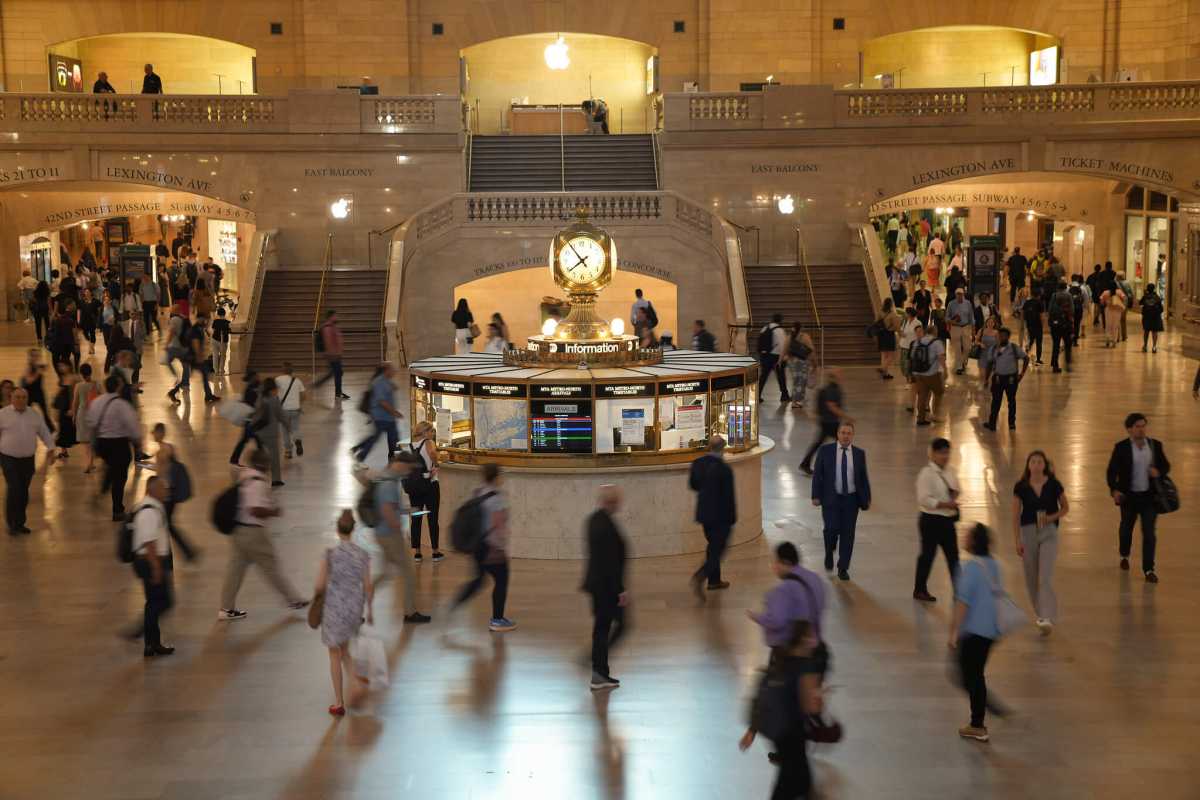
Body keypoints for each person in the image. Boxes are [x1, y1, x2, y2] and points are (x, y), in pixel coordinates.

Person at [218, 448, 310, 621]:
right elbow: (255, 509)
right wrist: (274, 511)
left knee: (235, 570)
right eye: (268, 462)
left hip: (238, 531)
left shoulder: (245, 475)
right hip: (253, 533)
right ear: (263, 463)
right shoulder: (258, 482)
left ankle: (226, 608)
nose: (270, 465)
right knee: (271, 566)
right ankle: (293, 600)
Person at [739, 619, 823, 799]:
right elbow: (811, 707)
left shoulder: (780, 660)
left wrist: (752, 731)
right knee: (790, 781)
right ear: (802, 639)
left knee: (799, 777)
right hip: (793, 732)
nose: (813, 639)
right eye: (810, 636)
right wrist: (820, 697)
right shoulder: (806, 666)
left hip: (778, 733)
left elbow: (763, 696)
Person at [354, 453, 432, 624]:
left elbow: (390, 506)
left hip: (383, 534)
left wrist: (407, 511)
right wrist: (397, 525)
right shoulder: (389, 483)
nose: (409, 472)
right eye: (409, 468)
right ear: (401, 464)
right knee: (409, 573)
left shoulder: (385, 476)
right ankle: (410, 613)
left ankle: (354, 604)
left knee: (386, 574)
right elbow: (387, 509)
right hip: (390, 536)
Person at [315, 510, 373, 716]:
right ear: (353, 529)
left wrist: (318, 595)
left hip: (334, 609)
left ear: (337, 530)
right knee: (345, 650)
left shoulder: (330, 554)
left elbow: (320, 585)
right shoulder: (363, 555)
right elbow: (368, 586)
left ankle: (339, 703)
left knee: (334, 653)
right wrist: (371, 610)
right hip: (353, 609)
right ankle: (356, 683)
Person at [949, 524, 1003, 743]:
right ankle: (982, 714)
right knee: (973, 674)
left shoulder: (970, 569)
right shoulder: (994, 565)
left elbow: (962, 604)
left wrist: (954, 633)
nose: (963, 537)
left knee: (968, 676)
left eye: (967, 535)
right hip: (991, 630)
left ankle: (978, 723)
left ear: (973, 542)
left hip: (973, 632)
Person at [448, 462, 516, 632]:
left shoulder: (478, 491)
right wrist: (500, 547)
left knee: (478, 580)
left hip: (477, 544)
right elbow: (497, 525)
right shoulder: (497, 498)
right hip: (491, 546)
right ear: (497, 477)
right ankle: (497, 620)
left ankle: (455, 603)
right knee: (502, 580)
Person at [1106, 413, 1170, 583]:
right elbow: (1111, 472)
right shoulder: (1121, 448)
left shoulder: (1155, 445)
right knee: (1126, 529)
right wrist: (1114, 490)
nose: (1141, 429)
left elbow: (1165, 465)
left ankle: (1149, 569)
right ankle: (1124, 554)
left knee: (1149, 534)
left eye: (1143, 426)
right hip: (1129, 497)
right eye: (1137, 426)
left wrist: (1159, 472)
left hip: (1149, 498)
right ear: (1129, 429)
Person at [1012, 451, 1067, 635]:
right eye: (1033, 462)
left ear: (1044, 465)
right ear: (1028, 465)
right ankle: (1040, 613)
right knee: (1031, 577)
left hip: (1049, 532)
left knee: (1045, 576)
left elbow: (1066, 507)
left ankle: (1046, 616)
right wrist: (1017, 540)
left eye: (1039, 462)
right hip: (1028, 533)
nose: (1036, 465)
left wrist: (1051, 517)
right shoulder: (1021, 487)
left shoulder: (1054, 485)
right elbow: (1014, 515)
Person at [582, 484, 629, 690]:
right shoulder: (605, 526)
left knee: (602, 628)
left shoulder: (594, 519)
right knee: (615, 627)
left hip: (598, 585)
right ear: (611, 502)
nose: (619, 505)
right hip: (606, 588)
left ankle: (598, 668)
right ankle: (598, 669)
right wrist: (621, 591)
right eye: (617, 501)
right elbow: (610, 562)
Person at [810, 423, 871, 580]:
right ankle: (829, 551)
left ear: (852, 436)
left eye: (849, 433)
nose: (845, 436)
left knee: (848, 534)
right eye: (843, 432)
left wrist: (866, 498)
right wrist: (816, 495)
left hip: (851, 500)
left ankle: (843, 567)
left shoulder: (859, 454)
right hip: (831, 498)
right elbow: (817, 474)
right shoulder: (825, 451)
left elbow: (863, 478)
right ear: (837, 434)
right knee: (830, 529)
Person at [748, 542, 827, 662]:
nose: (773, 567)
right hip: (814, 647)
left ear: (785, 562)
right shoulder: (815, 579)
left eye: (775, 562)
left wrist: (756, 617)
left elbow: (776, 621)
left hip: (790, 652)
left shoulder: (784, 589)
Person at [87, 376, 143, 520]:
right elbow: (132, 425)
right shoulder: (122, 405)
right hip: (118, 444)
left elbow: (91, 423)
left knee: (112, 465)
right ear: (118, 387)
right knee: (120, 476)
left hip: (101, 443)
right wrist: (138, 441)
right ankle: (117, 510)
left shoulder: (97, 402)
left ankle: (104, 488)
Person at [131, 476, 176, 658]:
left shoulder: (153, 507)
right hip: (150, 562)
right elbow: (149, 542)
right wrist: (157, 567)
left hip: (153, 561)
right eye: (162, 488)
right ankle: (140, 631)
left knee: (154, 602)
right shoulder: (148, 511)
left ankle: (152, 644)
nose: (166, 491)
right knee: (163, 602)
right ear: (152, 490)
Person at [688, 435, 737, 599]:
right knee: (718, 550)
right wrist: (732, 518)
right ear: (722, 449)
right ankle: (701, 576)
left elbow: (693, 485)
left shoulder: (698, 464)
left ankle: (714, 581)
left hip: (704, 515)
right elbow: (729, 497)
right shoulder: (725, 470)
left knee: (713, 547)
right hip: (721, 517)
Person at [0, 388, 54, 535]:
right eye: (17, 397)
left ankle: (19, 523)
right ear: (11, 398)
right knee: (14, 488)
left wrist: (50, 448)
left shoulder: (33, 414)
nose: (21, 400)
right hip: (8, 458)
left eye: (24, 397)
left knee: (23, 491)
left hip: (28, 460)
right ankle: (11, 523)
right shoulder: (3, 414)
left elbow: (44, 431)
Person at [913, 438, 960, 602]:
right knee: (927, 555)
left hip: (947, 520)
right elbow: (923, 499)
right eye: (941, 452)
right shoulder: (926, 474)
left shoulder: (950, 471)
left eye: (947, 452)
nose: (945, 456)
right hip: (930, 521)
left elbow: (956, 488)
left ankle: (959, 592)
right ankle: (919, 589)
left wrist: (954, 495)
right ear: (932, 454)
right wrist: (945, 503)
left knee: (953, 556)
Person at [150, 423, 198, 561]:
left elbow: (164, 472)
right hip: (169, 491)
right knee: (167, 524)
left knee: (166, 524)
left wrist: (161, 490)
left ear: (160, 433)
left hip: (166, 493)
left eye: (154, 432)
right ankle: (186, 552)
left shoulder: (163, 451)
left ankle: (183, 552)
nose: (152, 435)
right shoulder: (168, 448)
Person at [799, 369, 850, 472]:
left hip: (827, 421)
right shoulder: (832, 389)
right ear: (833, 377)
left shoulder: (827, 388)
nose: (842, 376)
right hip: (829, 422)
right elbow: (831, 406)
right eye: (839, 374)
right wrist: (846, 417)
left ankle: (805, 463)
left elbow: (818, 404)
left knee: (820, 442)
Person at [406, 420, 443, 562]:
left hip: (415, 486)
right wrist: (437, 463)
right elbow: (433, 453)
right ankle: (435, 552)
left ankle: (417, 552)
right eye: (431, 430)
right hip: (430, 484)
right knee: (433, 518)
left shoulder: (408, 446)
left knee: (416, 518)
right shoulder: (428, 442)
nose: (433, 433)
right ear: (425, 432)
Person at [352, 363, 404, 463]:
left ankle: (396, 458)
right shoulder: (379, 382)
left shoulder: (386, 381)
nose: (394, 372)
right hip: (381, 417)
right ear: (386, 370)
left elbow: (389, 391)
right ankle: (360, 456)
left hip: (389, 418)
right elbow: (382, 402)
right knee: (375, 439)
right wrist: (394, 412)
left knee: (394, 439)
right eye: (392, 369)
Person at [980, 327, 1029, 432]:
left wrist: (1022, 374)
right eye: (1000, 335)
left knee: (1011, 401)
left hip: (1011, 379)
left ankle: (1011, 423)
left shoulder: (1014, 348)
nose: (1001, 337)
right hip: (998, 379)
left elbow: (1026, 358)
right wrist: (986, 379)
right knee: (995, 402)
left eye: (1004, 335)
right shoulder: (993, 349)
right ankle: (992, 424)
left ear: (1008, 337)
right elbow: (989, 364)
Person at [313, 311, 350, 400]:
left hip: (335, 354)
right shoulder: (327, 327)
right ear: (331, 317)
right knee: (336, 373)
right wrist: (333, 354)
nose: (337, 317)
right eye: (335, 315)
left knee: (337, 373)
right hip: (333, 355)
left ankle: (337, 392)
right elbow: (328, 342)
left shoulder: (332, 327)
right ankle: (335, 392)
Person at [757, 313, 789, 403]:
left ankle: (757, 395)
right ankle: (784, 395)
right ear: (780, 321)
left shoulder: (765, 328)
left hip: (765, 356)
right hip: (776, 356)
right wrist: (783, 357)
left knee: (763, 376)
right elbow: (783, 345)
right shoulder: (780, 330)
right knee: (781, 376)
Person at [275, 363, 305, 459]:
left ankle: (288, 451)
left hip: (283, 410)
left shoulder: (278, 380)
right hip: (296, 409)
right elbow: (304, 396)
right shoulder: (297, 381)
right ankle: (298, 440)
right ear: (292, 371)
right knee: (295, 428)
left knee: (285, 431)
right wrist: (298, 404)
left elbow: (273, 392)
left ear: (282, 370)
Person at [785, 324, 814, 410]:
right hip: (802, 361)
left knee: (796, 381)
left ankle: (795, 400)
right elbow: (811, 350)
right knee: (802, 381)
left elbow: (784, 349)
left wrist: (780, 360)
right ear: (801, 328)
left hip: (792, 362)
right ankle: (798, 401)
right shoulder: (805, 336)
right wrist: (815, 362)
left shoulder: (789, 336)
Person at [1047, 283, 1074, 373]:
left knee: (1056, 345)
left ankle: (1055, 365)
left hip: (1055, 324)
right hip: (1066, 324)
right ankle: (1067, 364)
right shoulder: (1068, 295)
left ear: (1058, 288)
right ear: (1066, 287)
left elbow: (1050, 309)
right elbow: (1072, 309)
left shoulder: (1054, 295)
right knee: (1067, 345)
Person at [947, 288, 974, 375]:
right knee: (957, 349)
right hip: (955, 328)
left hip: (966, 327)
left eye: (961, 294)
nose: (959, 296)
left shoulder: (968, 303)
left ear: (964, 294)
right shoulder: (951, 304)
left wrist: (973, 329)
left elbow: (971, 317)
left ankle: (963, 362)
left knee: (967, 347)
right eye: (958, 294)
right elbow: (946, 317)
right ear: (955, 295)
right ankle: (959, 366)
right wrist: (952, 321)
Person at [875, 298, 900, 380]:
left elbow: (876, 322)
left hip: (881, 335)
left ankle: (885, 374)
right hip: (889, 335)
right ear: (891, 304)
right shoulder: (892, 314)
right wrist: (900, 332)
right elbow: (896, 326)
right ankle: (883, 368)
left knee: (884, 355)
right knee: (891, 355)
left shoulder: (880, 312)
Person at [1021, 288, 1045, 364]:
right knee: (1039, 342)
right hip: (1038, 325)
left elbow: (1022, 313)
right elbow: (1041, 315)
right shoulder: (1040, 303)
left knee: (1031, 340)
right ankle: (1038, 359)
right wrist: (1043, 325)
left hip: (1029, 324)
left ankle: (1026, 353)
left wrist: (1023, 323)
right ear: (1039, 295)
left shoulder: (1027, 302)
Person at [1139, 285, 1164, 353]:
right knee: (1154, 332)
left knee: (1146, 331)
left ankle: (1145, 346)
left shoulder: (1145, 297)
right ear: (1154, 289)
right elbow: (1161, 309)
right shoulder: (1157, 297)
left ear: (1147, 289)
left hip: (1147, 317)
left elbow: (1140, 303)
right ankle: (1154, 347)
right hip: (1155, 317)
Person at [211, 306, 231, 375]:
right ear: (224, 313)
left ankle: (216, 370)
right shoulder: (228, 322)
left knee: (215, 355)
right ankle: (221, 370)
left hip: (214, 339)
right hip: (223, 341)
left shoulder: (215, 321)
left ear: (218, 314)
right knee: (223, 355)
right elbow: (229, 331)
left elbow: (213, 330)